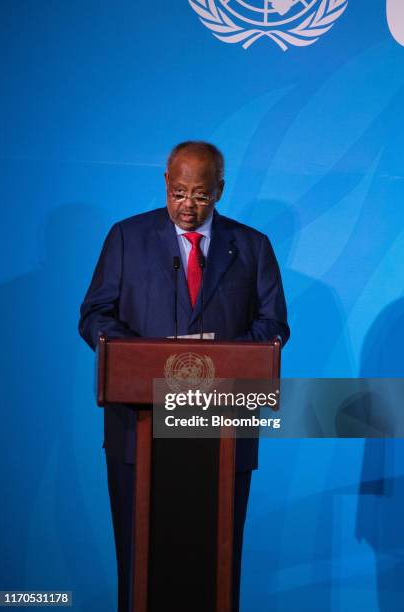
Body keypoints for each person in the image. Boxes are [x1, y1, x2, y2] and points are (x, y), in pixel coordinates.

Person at [78, 141, 290, 611]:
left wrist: (221, 361)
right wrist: (141, 355)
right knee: (139, 562)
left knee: (216, 560)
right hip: (140, 426)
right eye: (178, 192)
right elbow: (95, 315)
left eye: (200, 195)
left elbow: (273, 324)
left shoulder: (252, 247)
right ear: (165, 183)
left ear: (219, 190)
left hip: (222, 429)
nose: (187, 206)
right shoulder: (127, 237)